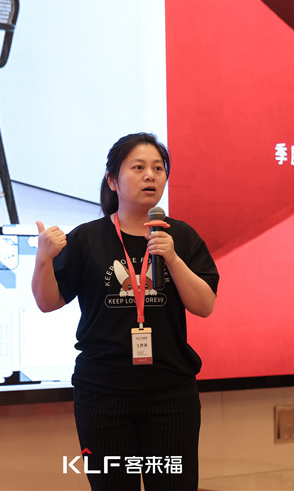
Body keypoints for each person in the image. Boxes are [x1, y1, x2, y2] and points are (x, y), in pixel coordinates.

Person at [32, 132, 219, 491]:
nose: (151, 175)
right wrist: (43, 260)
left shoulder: (181, 237)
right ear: (112, 180)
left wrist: (172, 257)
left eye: (158, 169)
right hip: (102, 394)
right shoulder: (87, 238)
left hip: (170, 393)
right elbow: (47, 302)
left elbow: (204, 305)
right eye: (138, 167)